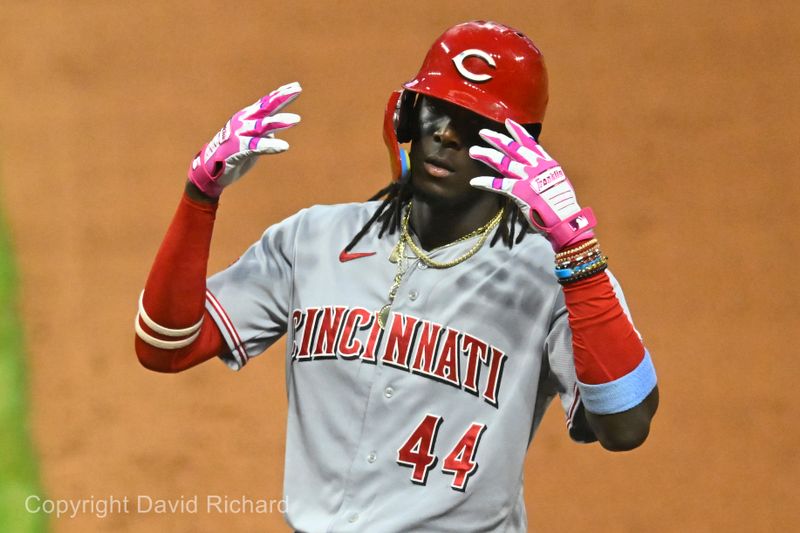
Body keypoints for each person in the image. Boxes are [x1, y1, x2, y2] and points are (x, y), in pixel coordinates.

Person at [135, 20, 658, 532]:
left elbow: (625, 426)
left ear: (521, 146)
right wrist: (199, 199)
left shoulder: (553, 274)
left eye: (476, 121)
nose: (447, 133)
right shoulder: (315, 239)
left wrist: (580, 257)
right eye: (438, 109)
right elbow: (166, 347)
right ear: (408, 115)